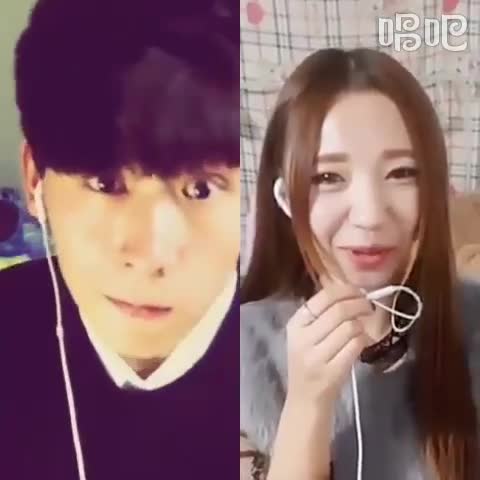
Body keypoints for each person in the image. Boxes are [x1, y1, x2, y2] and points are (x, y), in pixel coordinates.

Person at [0, 1, 239, 479]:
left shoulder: (311, 362)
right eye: (106, 183)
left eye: (201, 189)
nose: (149, 255)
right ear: (35, 180)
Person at [240, 47, 480, 480]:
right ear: (285, 198)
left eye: (402, 173)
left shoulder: (473, 321)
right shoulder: (236, 349)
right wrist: (307, 404)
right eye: (328, 177)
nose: (370, 216)